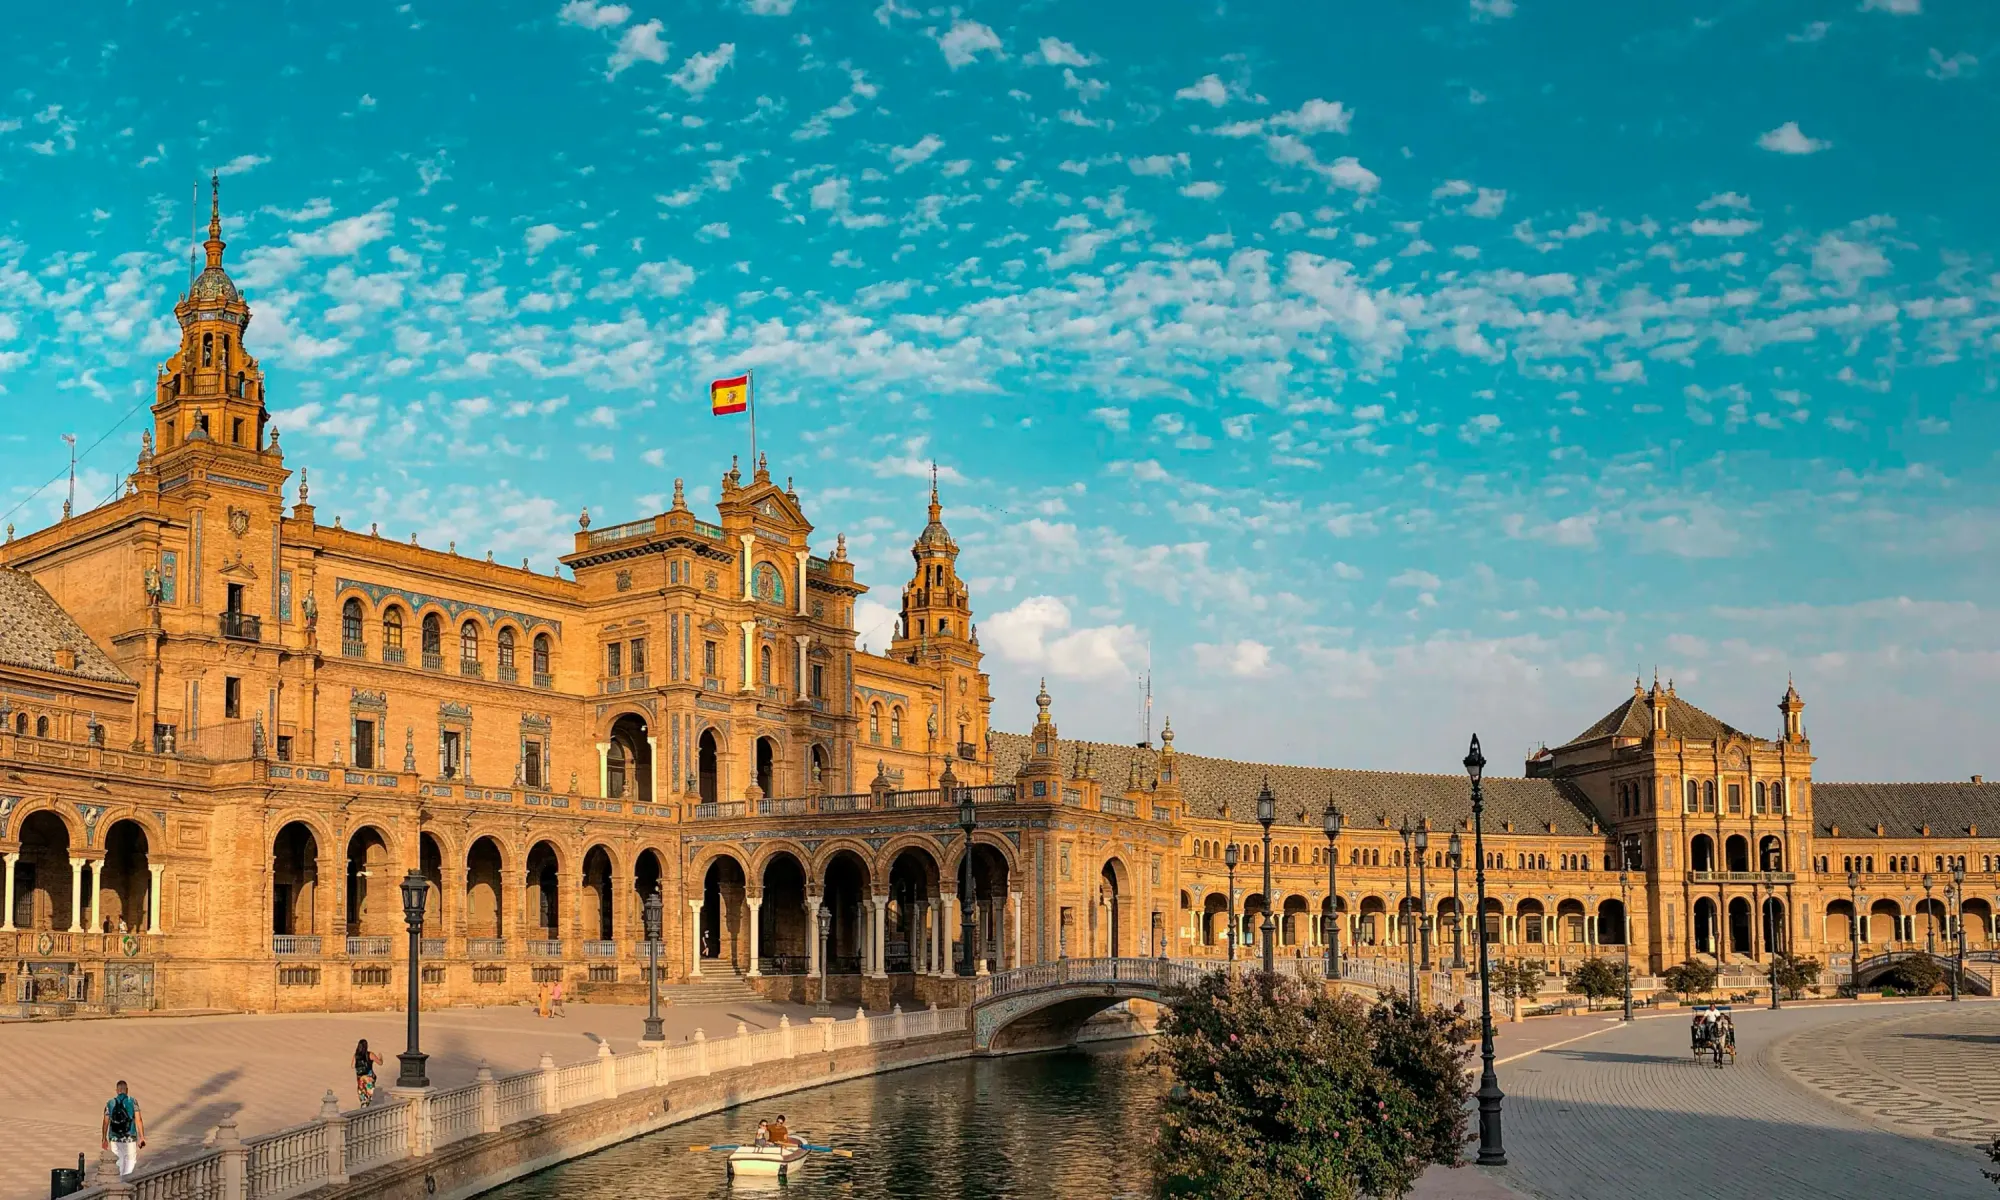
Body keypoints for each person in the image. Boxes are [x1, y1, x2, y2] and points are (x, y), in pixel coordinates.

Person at [101, 1081, 145, 1176]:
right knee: (130, 1161)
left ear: (117, 1091)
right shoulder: (133, 1101)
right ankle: (126, 1182)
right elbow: (139, 1120)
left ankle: (119, 1181)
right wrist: (142, 1137)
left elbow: (105, 1122)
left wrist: (104, 1138)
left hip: (114, 1138)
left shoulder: (110, 1103)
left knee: (118, 1162)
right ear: (127, 1090)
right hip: (130, 1137)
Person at [353, 1039, 383, 1107]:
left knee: (363, 1098)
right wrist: (381, 1058)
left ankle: (363, 1109)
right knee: (370, 1097)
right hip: (369, 1078)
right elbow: (380, 1063)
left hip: (360, 1079)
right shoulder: (370, 1054)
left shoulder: (356, 1055)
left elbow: (352, 1065)